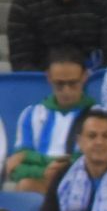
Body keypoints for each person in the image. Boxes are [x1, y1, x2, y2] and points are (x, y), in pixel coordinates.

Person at [5, 47, 93, 193]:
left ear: (85, 77)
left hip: (80, 188)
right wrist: (44, 173)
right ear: (49, 78)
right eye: (59, 84)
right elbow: (14, 168)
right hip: (39, 187)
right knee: (25, 185)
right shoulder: (30, 114)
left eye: (73, 83)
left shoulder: (97, 116)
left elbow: (89, 163)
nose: (66, 91)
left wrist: (29, 157)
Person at [32, 110, 107, 211]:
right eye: (92, 136)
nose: (99, 142)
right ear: (79, 141)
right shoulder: (63, 175)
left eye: (106, 136)